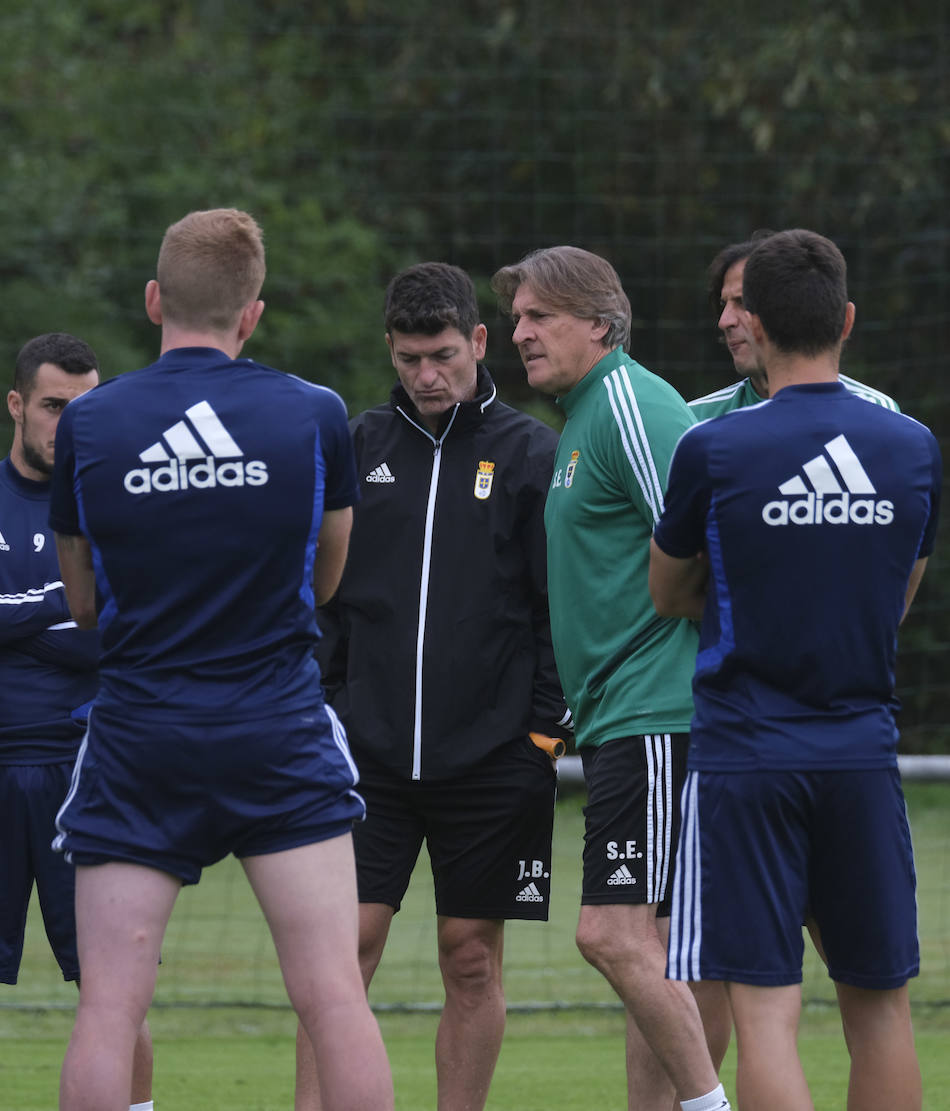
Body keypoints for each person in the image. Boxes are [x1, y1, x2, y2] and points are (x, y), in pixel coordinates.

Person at [50, 208, 393, 1111]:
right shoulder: (315, 414)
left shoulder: (88, 424)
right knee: (333, 997)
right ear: (253, 314)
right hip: (276, 725)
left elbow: (82, 601)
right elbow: (325, 581)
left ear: (156, 298)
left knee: (108, 1009)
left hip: (139, 735)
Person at [652, 229, 938, 1111]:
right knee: (880, 1006)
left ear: (758, 327)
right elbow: (896, 596)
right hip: (861, 754)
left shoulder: (717, 448)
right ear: (845, 318)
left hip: (747, 758)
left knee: (768, 1013)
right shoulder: (913, 445)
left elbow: (666, 593)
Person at [293, 262, 567, 1111]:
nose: (426, 374)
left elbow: (559, 611)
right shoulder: (354, 444)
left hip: (494, 760)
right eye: (410, 358)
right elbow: (322, 598)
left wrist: (543, 739)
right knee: (345, 955)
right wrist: (329, 714)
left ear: (479, 342)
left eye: (443, 354)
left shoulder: (531, 453)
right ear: (391, 349)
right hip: (366, 758)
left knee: (470, 956)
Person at [490, 247, 729, 1111]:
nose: (518, 333)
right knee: (654, 947)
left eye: (537, 316)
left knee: (611, 934)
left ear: (600, 321)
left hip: (656, 710)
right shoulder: (581, 417)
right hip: (617, 718)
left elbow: (713, 543)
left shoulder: (630, 401)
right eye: (516, 318)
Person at [0, 333, 153, 1111]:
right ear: (17, 405)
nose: (70, 424)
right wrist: (60, 604)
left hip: (86, 777)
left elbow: (119, 634)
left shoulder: (122, 509)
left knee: (112, 994)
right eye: (55, 406)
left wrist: (3, 613)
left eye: (86, 408)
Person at [690, 230, 898, 419]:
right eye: (723, 304)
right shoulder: (694, 419)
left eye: (742, 301)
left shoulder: (878, 413)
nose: (724, 321)